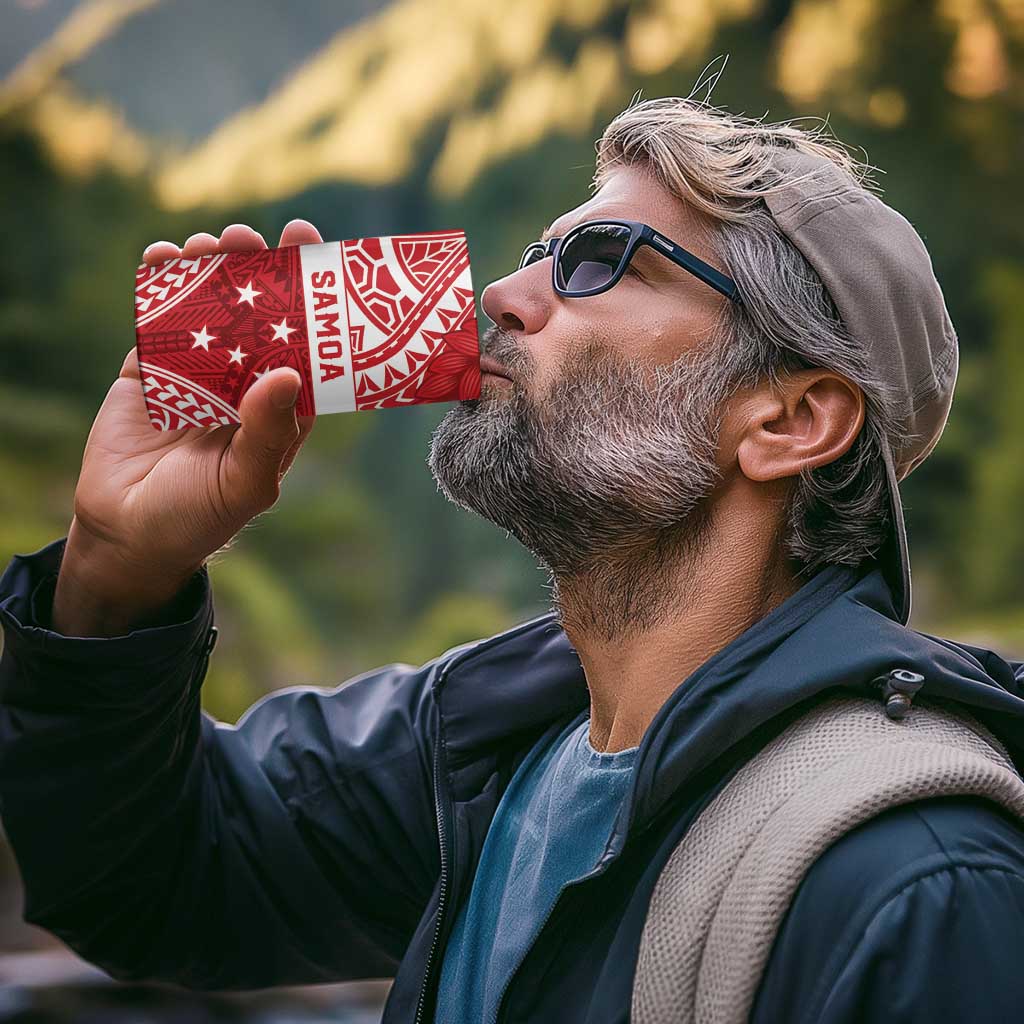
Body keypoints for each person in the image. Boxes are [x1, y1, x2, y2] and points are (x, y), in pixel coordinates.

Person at [2, 94, 1024, 1024]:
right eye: (540, 252)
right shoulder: (480, 749)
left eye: (599, 261)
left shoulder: (918, 884)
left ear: (790, 419)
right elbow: (149, 880)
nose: (501, 292)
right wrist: (115, 572)